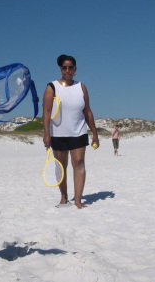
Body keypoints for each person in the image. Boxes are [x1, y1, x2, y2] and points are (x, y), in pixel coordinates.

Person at [42, 54, 99, 209]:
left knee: (79, 163)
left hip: (78, 132)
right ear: (61, 69)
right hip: (58, 133)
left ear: (75, 69)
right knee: (61, 166)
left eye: (70, 67)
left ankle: (78, 200)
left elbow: (87, 111)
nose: (67, 70)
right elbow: (46, 112)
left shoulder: (81, 87)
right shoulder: (52, 87)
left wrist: (95, 133)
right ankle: (64, 197)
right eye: (64, 67)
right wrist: (46, 133)